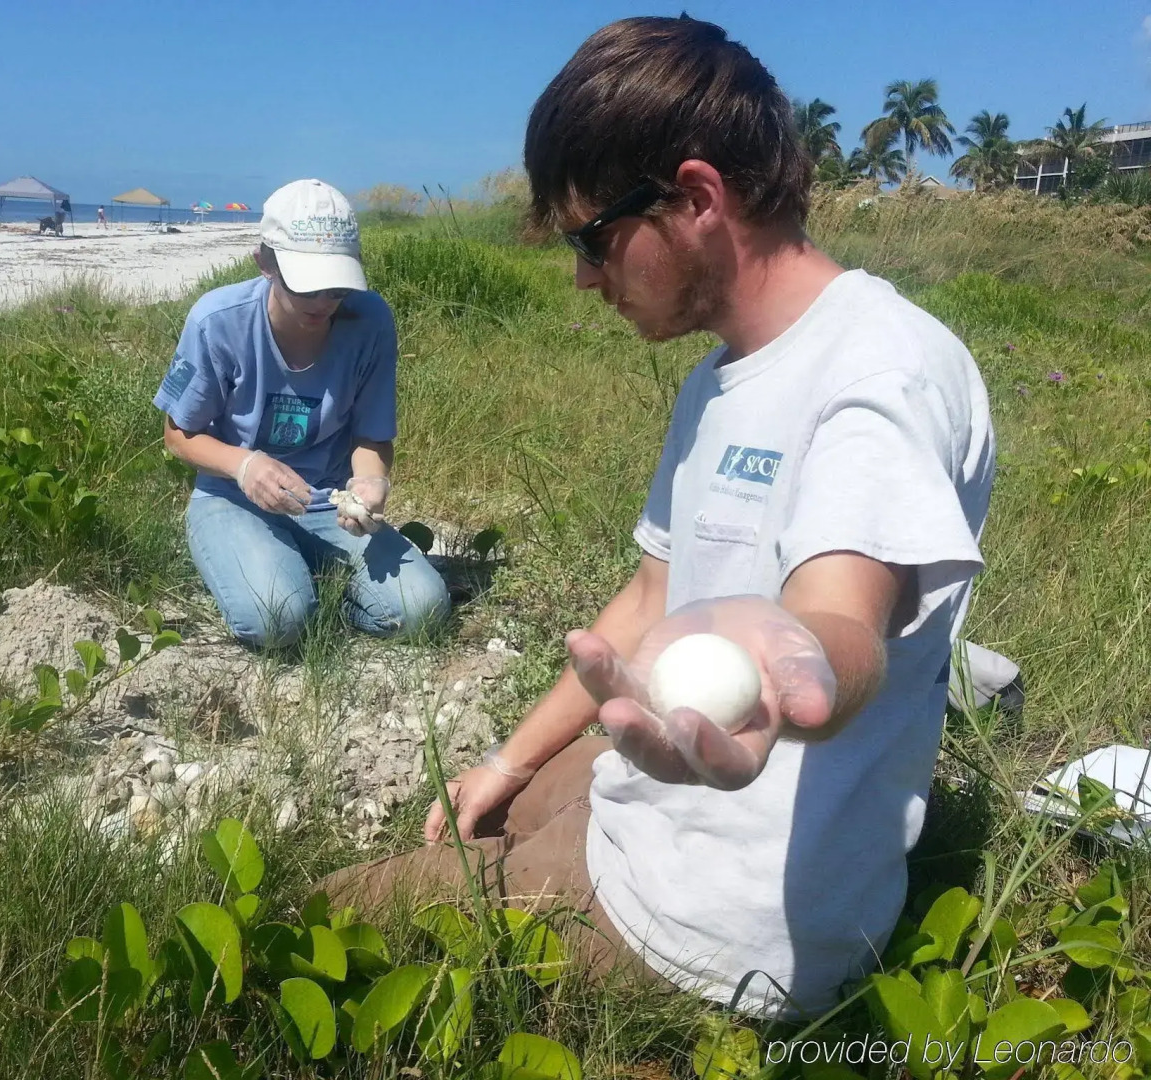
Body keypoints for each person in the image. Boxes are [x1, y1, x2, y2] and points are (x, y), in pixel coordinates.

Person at [320, 16, 995, 1020]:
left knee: (326, 916)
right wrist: (508, 762)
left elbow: (844, 618)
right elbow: (652, 595)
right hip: (660, 794)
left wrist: (790, 665)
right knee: (490, 814)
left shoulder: (877, 376)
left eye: (595, 238)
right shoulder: (721, 383)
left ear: (696, 199)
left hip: (716, 920)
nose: (585, 277)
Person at [154, 178, 451, 651]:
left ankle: (304, 578)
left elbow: (372, 437)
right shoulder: (215, 320)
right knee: (277, 620)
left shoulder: (370, 320)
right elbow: (176, 435)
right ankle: (267, 568)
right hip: (232, 496)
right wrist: (244, 465)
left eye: (336, 288)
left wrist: (371, 484)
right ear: (265, 263)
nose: (323, 303)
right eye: (307, 286)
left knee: (423, 608)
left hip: (327, 501)